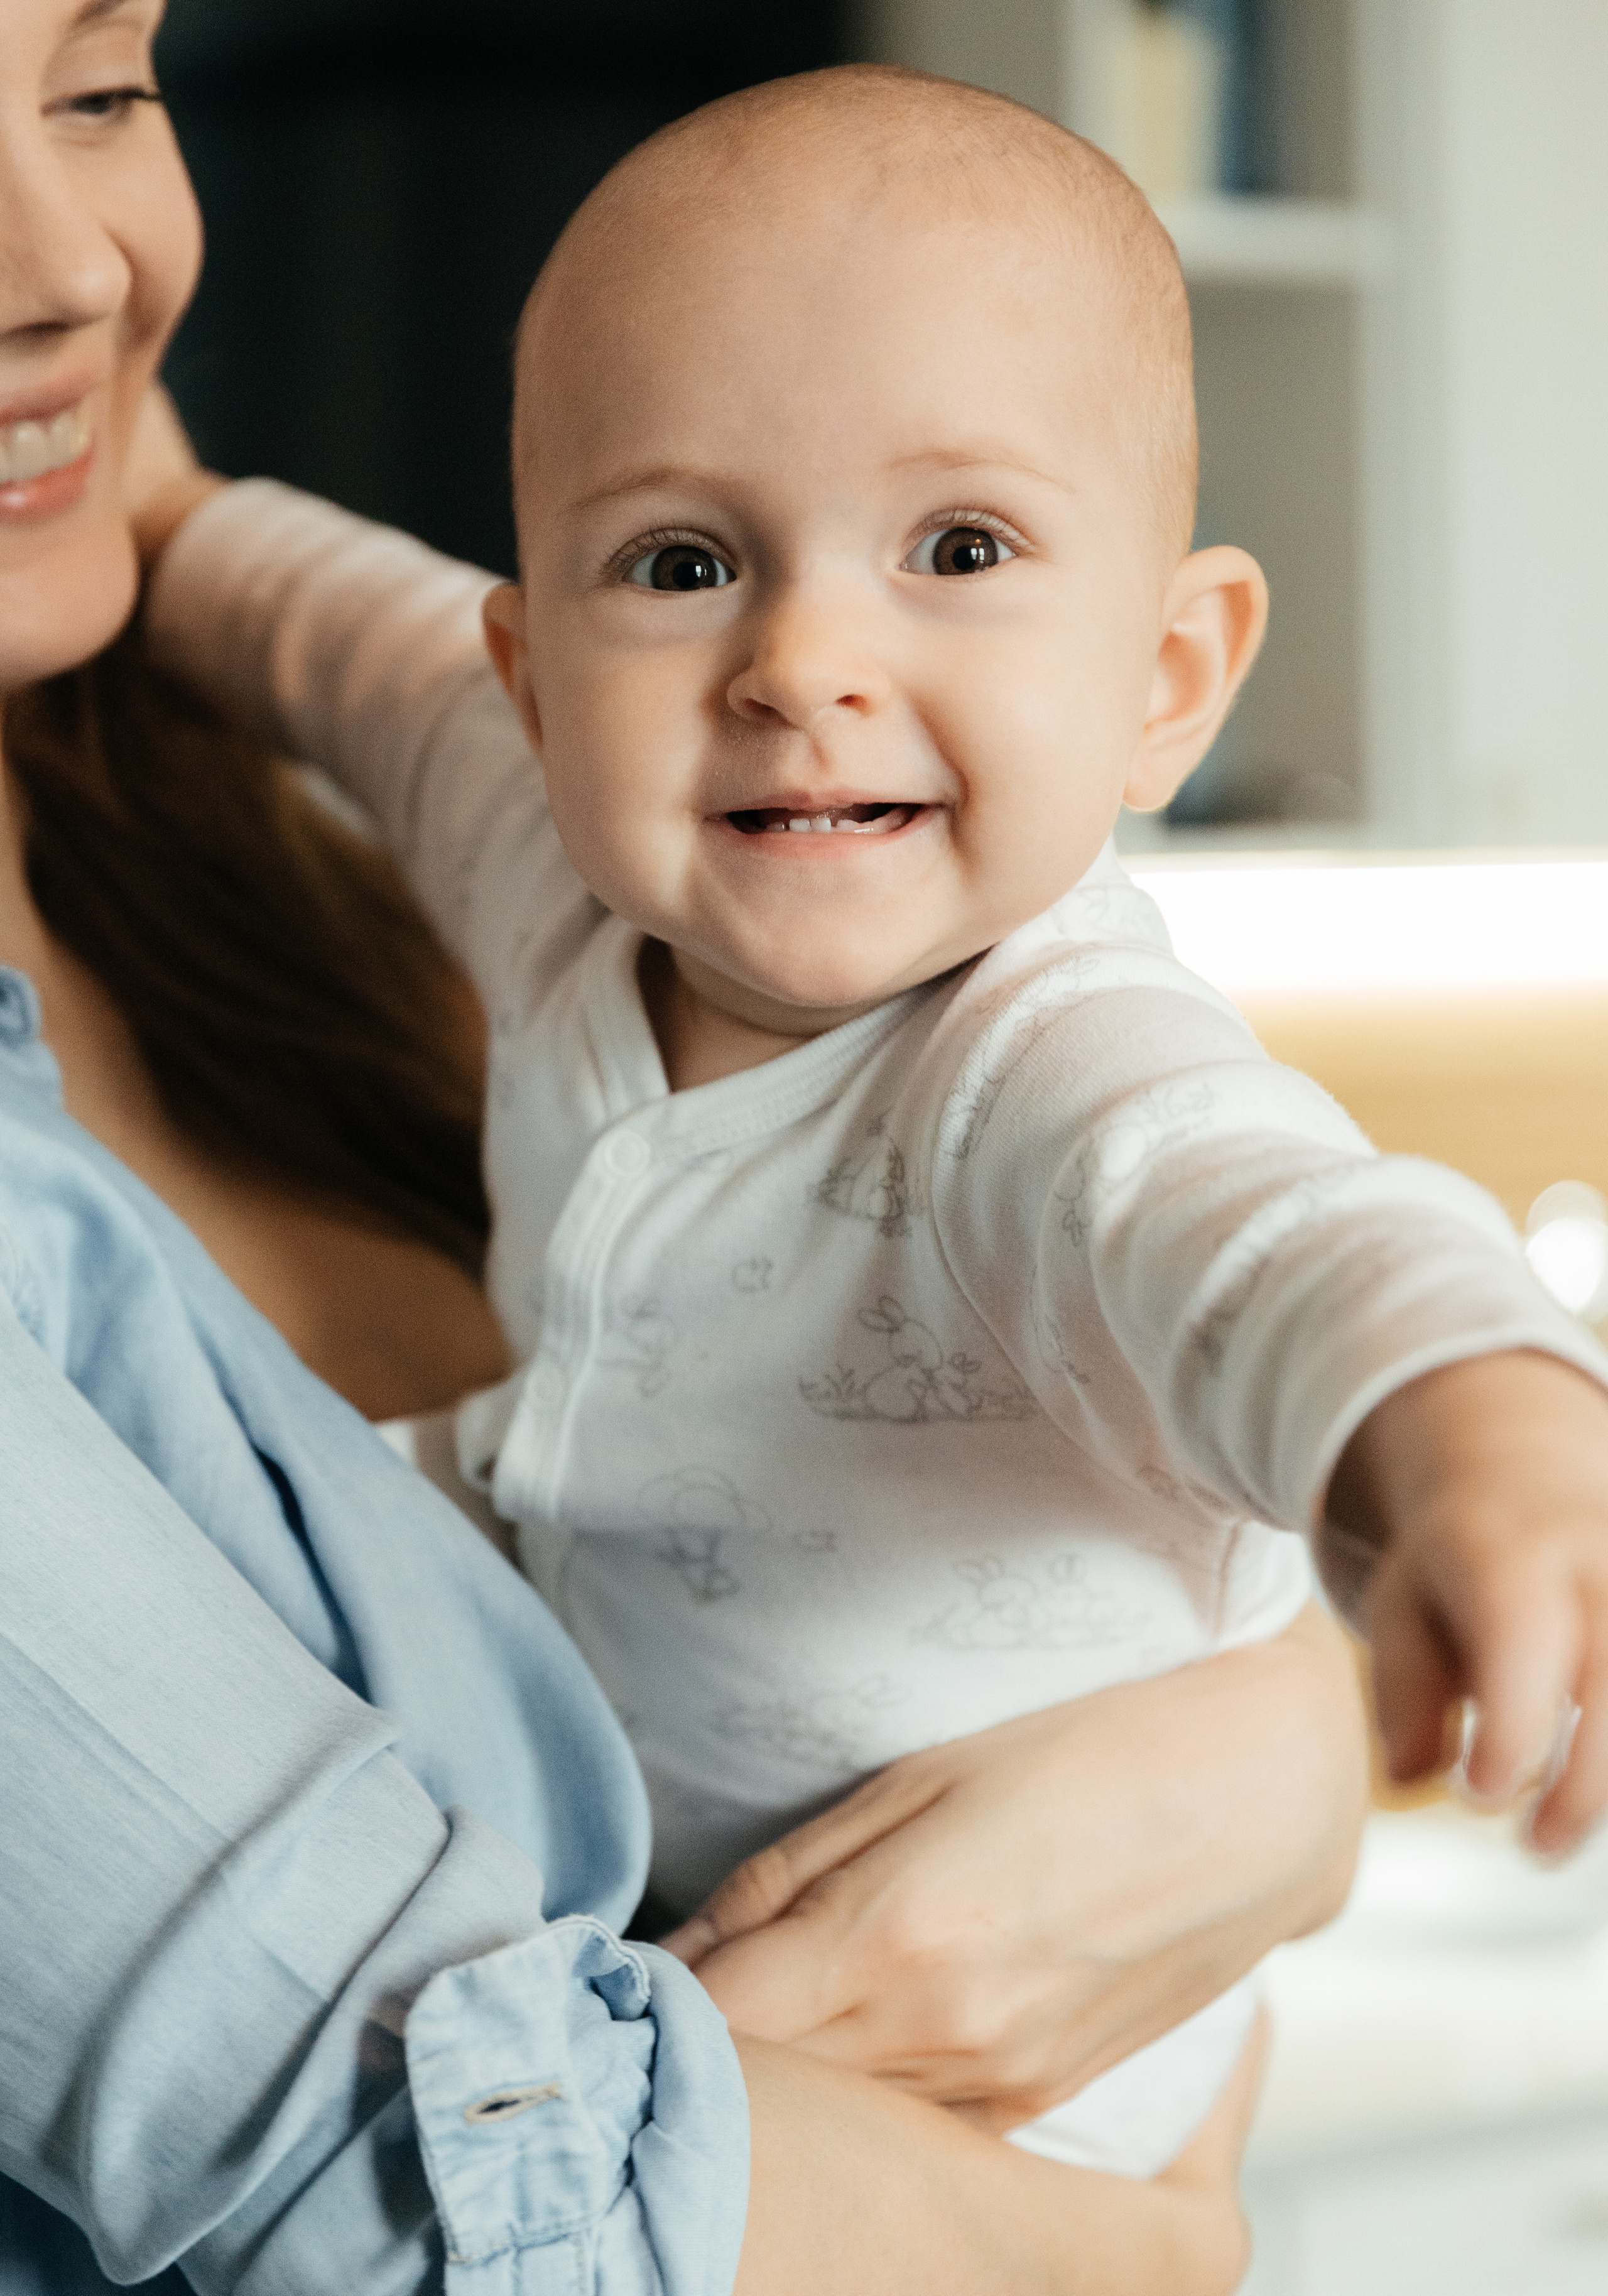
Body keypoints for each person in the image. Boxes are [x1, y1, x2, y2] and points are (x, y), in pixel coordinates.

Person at [0, 9, 1369, 2293]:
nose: (61, 260)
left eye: (98, 85)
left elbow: (1271, 1255)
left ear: (1174, 661)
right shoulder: (562, 860)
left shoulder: (511, 908)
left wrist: (1284, 1742)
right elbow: (442, 2210)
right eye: (678, 564)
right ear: (548, 656)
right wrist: (1153, 2250)